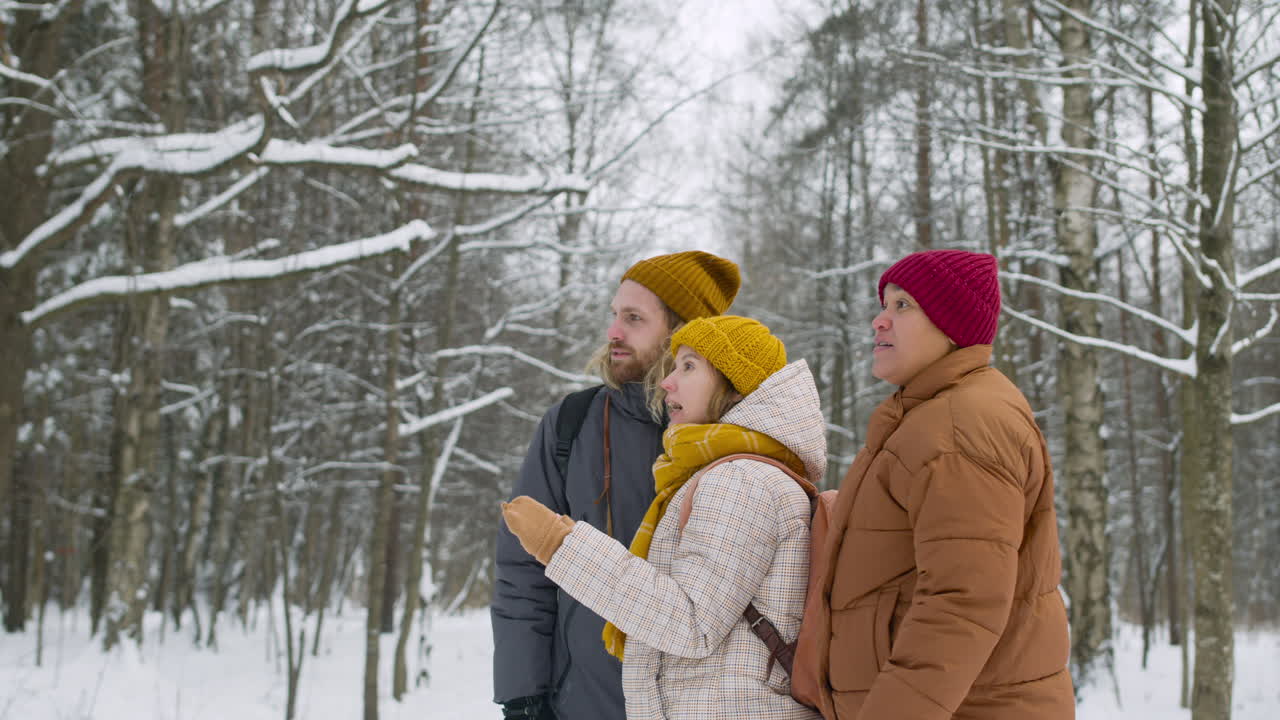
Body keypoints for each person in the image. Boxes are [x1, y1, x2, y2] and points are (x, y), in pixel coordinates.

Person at [502, 315, 826, 720]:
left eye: (688, 366)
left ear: (732, 382)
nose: (667, 382)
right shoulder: (735, 473)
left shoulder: (741, 481)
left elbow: (691, 622)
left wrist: (562, 545)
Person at [802, 249, 1074, 720]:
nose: (879, 321)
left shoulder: (960, 427)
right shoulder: (929, 418)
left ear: (952, 323)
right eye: (884, 304)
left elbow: (961, 604)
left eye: (902, 305)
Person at [491, 251, 742, 720]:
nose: (613, 332)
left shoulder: (736, 435)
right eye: (615, 315)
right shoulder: (571, 425)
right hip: (585, 704)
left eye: (634, 318)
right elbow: (522, 572)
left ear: (683, 331)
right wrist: (523, 697)